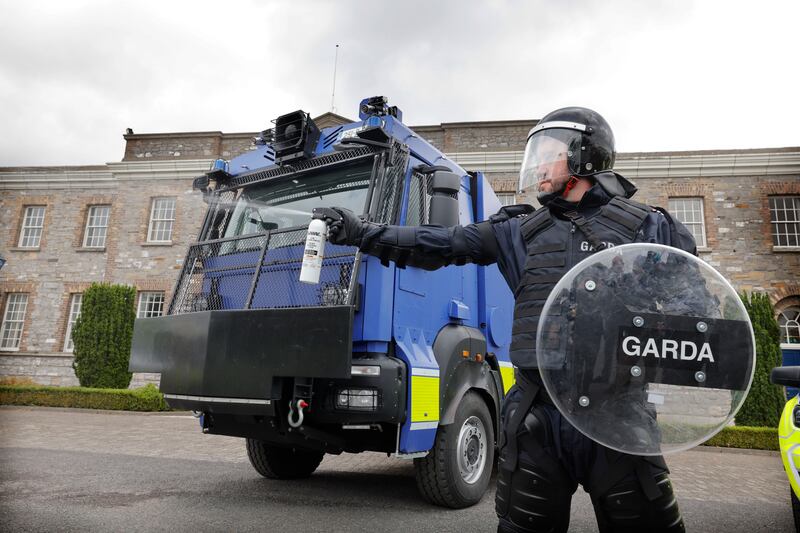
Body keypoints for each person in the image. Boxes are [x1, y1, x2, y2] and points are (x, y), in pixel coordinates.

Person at [319, 107, 694, 532]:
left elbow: (691, 298)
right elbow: (439, 243)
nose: (539, 166)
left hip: (619, 416)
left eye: (550, 155)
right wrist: (361, 232)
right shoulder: (519, 231)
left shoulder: (649, 227)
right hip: (539, 418)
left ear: (584, 157)